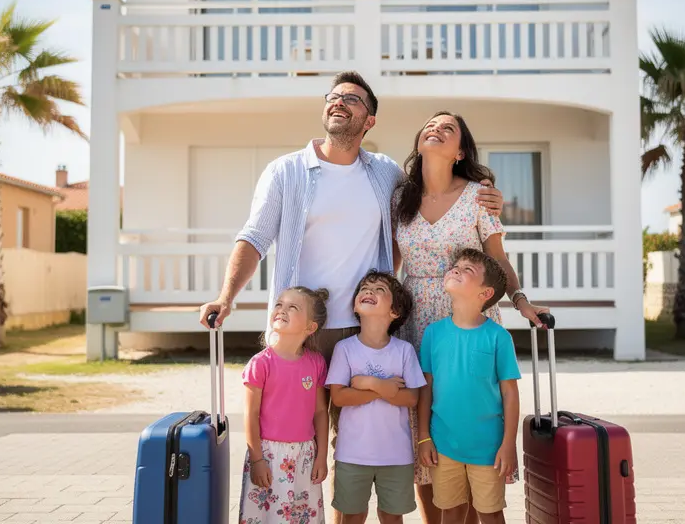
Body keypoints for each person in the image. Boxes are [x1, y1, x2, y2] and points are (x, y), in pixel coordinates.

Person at [198, 73, 503, 523]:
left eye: (352, 99)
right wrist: (226, 298)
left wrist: (487, 194)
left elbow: (431, 196)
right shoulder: (286, 171)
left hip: (370, 332)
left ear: (369, 119)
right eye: (334, 96)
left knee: (372, 448)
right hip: (305, 334)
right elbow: (255, 237)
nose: (340, 103)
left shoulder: (385, 173)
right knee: (293, 449)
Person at [390, 110, 549, 524]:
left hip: (471, 319)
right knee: (423, 433)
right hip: (416, 321)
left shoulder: (479, 195)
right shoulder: (399, 197)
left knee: (469, 417)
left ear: (460, 151)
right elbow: (390, 263)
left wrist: (521, 300)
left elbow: (497, 259)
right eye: (430, 125)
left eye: (448, 128)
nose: (436, 129)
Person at [416, 248, 521, 524]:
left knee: (490, 514)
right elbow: (426, 389)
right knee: (450, 512)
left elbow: (510, 394)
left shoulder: (498, 337)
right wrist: (424, 436)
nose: (457, 270)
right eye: (457, 267)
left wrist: (508, 444)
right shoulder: (432, 333)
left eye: (467, 270)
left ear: (485, 293)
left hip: (488, 447)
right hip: (443, 444)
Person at [325, 270, 425, 524]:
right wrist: (384, 389)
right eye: (364, 288)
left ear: (395, 311)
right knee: (353, 516)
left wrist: (368, 384)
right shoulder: (344, 349)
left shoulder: (404, 351)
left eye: (380, 289)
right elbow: (339, 397)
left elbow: (411, 398)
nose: (369, 291)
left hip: (396, 455)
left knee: (391, 517)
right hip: (352, 454)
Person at [238, 286, 330, 524]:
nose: (282, 309)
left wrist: (321, 457)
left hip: (304, 457)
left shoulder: (316, 363)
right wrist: (257, 460)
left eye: (293, 307)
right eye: (279, 304)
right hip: (268, 457)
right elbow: (251, 414)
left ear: (310, 327)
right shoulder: (260, 364)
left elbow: (320, 411)